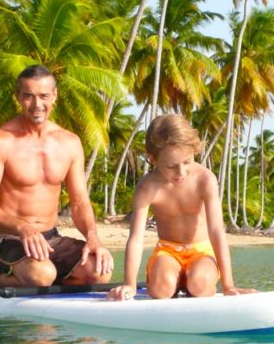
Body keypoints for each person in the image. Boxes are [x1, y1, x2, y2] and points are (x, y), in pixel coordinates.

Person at [0, 64, 114, 288]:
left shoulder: (69, 142)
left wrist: (93, 237)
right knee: (42, 275)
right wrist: (22, 228)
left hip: (50, 237)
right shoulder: (0, 141)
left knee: (98, 271)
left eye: (44, 96)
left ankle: (44, 279)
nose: (37, 105)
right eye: (28, 96)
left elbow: (79, 202)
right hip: (5, 237)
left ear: (54, 95)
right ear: (18, 96)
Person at [109, 114, 254, 301]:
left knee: (200, 284)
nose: (181, 172)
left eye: (187, 162)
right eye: (171, 166)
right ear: (153, 159)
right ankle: (174, 282)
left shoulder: (205, 180)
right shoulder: (148, 187)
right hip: (167, 251)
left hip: (202, 251)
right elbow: (136, 238)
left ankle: (192, 283)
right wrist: (130, 284)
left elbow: (217, 231)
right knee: (161, 289)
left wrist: (228, 285)